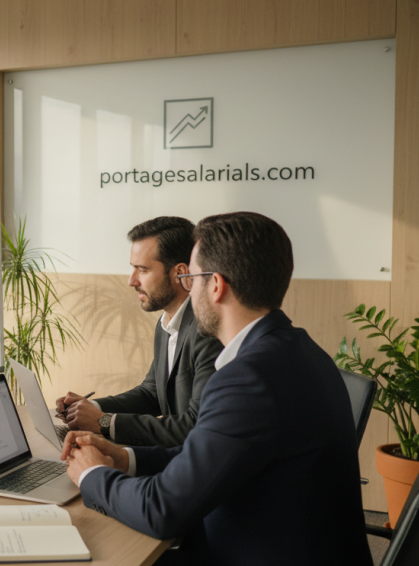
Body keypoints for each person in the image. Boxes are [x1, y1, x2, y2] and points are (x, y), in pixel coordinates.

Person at [62, 212, 372, 565]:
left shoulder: (247, 380)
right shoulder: (302, 351)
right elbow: (209, 455)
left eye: (191, 278)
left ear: (216, 286)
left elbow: (162, 510)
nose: (188, 289)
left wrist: (92, 475)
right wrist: (125, 458)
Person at [55, 217, 222, 446]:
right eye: (133, 268)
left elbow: (194, 425)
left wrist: (104, 422)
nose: (131, 281)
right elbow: (152, 393)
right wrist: (90, 408)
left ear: (180, 273)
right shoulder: (166, 323)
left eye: (142, 270)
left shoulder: (208, 331)